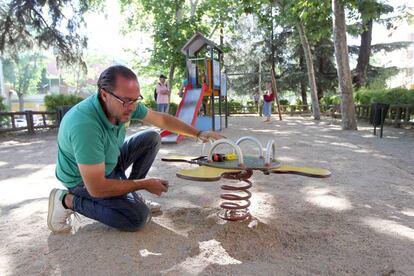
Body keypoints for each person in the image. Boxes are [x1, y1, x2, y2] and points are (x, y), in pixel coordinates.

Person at [48, 65, 223, 233]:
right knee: (137, 218)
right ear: (104, 95)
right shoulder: (85, 125)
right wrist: (144, 184)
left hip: (109, 162)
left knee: (152, 137)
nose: (131, 107)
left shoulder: (125, 104)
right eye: (126, 101)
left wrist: (199, 133)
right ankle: (66, 200)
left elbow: (161, 120)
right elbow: (96, 187)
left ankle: (130, 195)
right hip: (82, 180)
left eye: (135, 99)